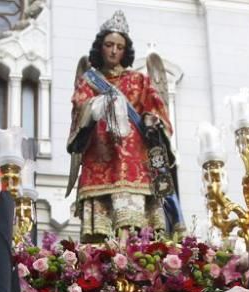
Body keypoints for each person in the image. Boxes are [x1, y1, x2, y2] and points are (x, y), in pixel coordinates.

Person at [67, 10, 177, 241]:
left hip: (134, 158)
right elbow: (80, 110)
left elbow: (154, 106)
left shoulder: (138, 80)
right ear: (101, 47)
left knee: (133, 222)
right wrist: (95, 107)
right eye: (109, 45)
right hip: (99, 155)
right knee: (102, 225)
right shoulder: (89, 81)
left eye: (119, 46)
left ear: (125, 51)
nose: (114, 50)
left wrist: (151, 119)